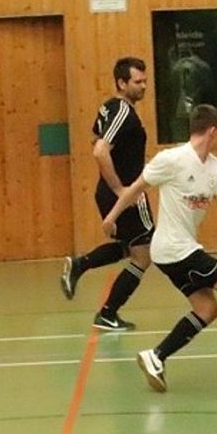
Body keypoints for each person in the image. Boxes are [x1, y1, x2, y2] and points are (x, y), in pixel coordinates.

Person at [101, 105, 217, 392]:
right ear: (212, 130)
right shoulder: (171, 159)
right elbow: (136, 188)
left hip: (183, 249)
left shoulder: (215, 166)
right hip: (173, 248)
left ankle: (156, 356)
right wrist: (112, 217)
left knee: (207, 309)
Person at [60, 57, 154, 331]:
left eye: (145, 81)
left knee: (130, 247)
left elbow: (94, 136)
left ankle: (81, 265)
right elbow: (99, 149)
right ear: (122, 83)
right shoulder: (123, 111)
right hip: (124, 194)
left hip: (112, 192)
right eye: (138, 82)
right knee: (143, 254)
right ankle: (108, 312)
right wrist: (120, 189)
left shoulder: (108, 108)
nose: (143, 87)